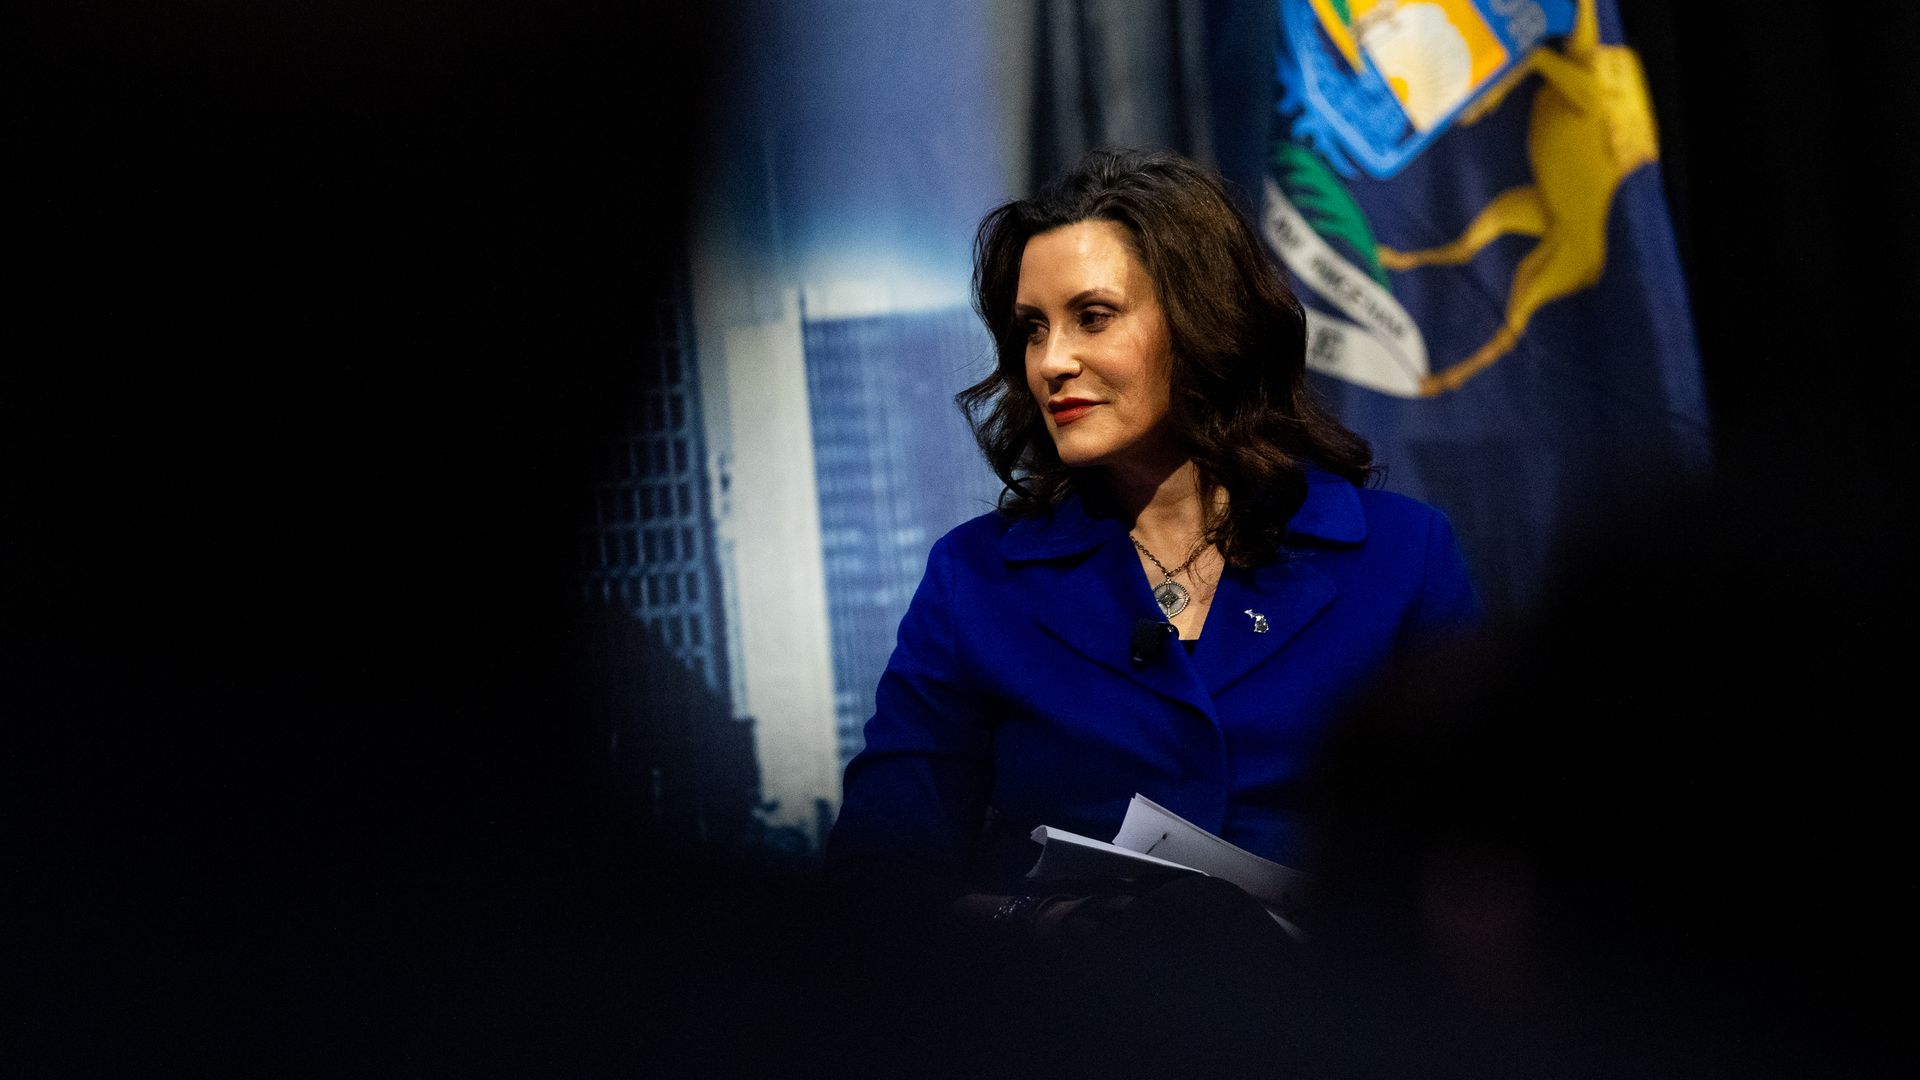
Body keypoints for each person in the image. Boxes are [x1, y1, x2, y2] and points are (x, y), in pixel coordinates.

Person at [826, 148, 1479, 944]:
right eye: (1033, 330)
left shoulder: (1404, 558)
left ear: (1203, 321)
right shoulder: (976, 581)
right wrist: (1041, 922)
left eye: (1092, 318)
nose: (1051, 362)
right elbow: (879, 876)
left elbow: (1490, 862)